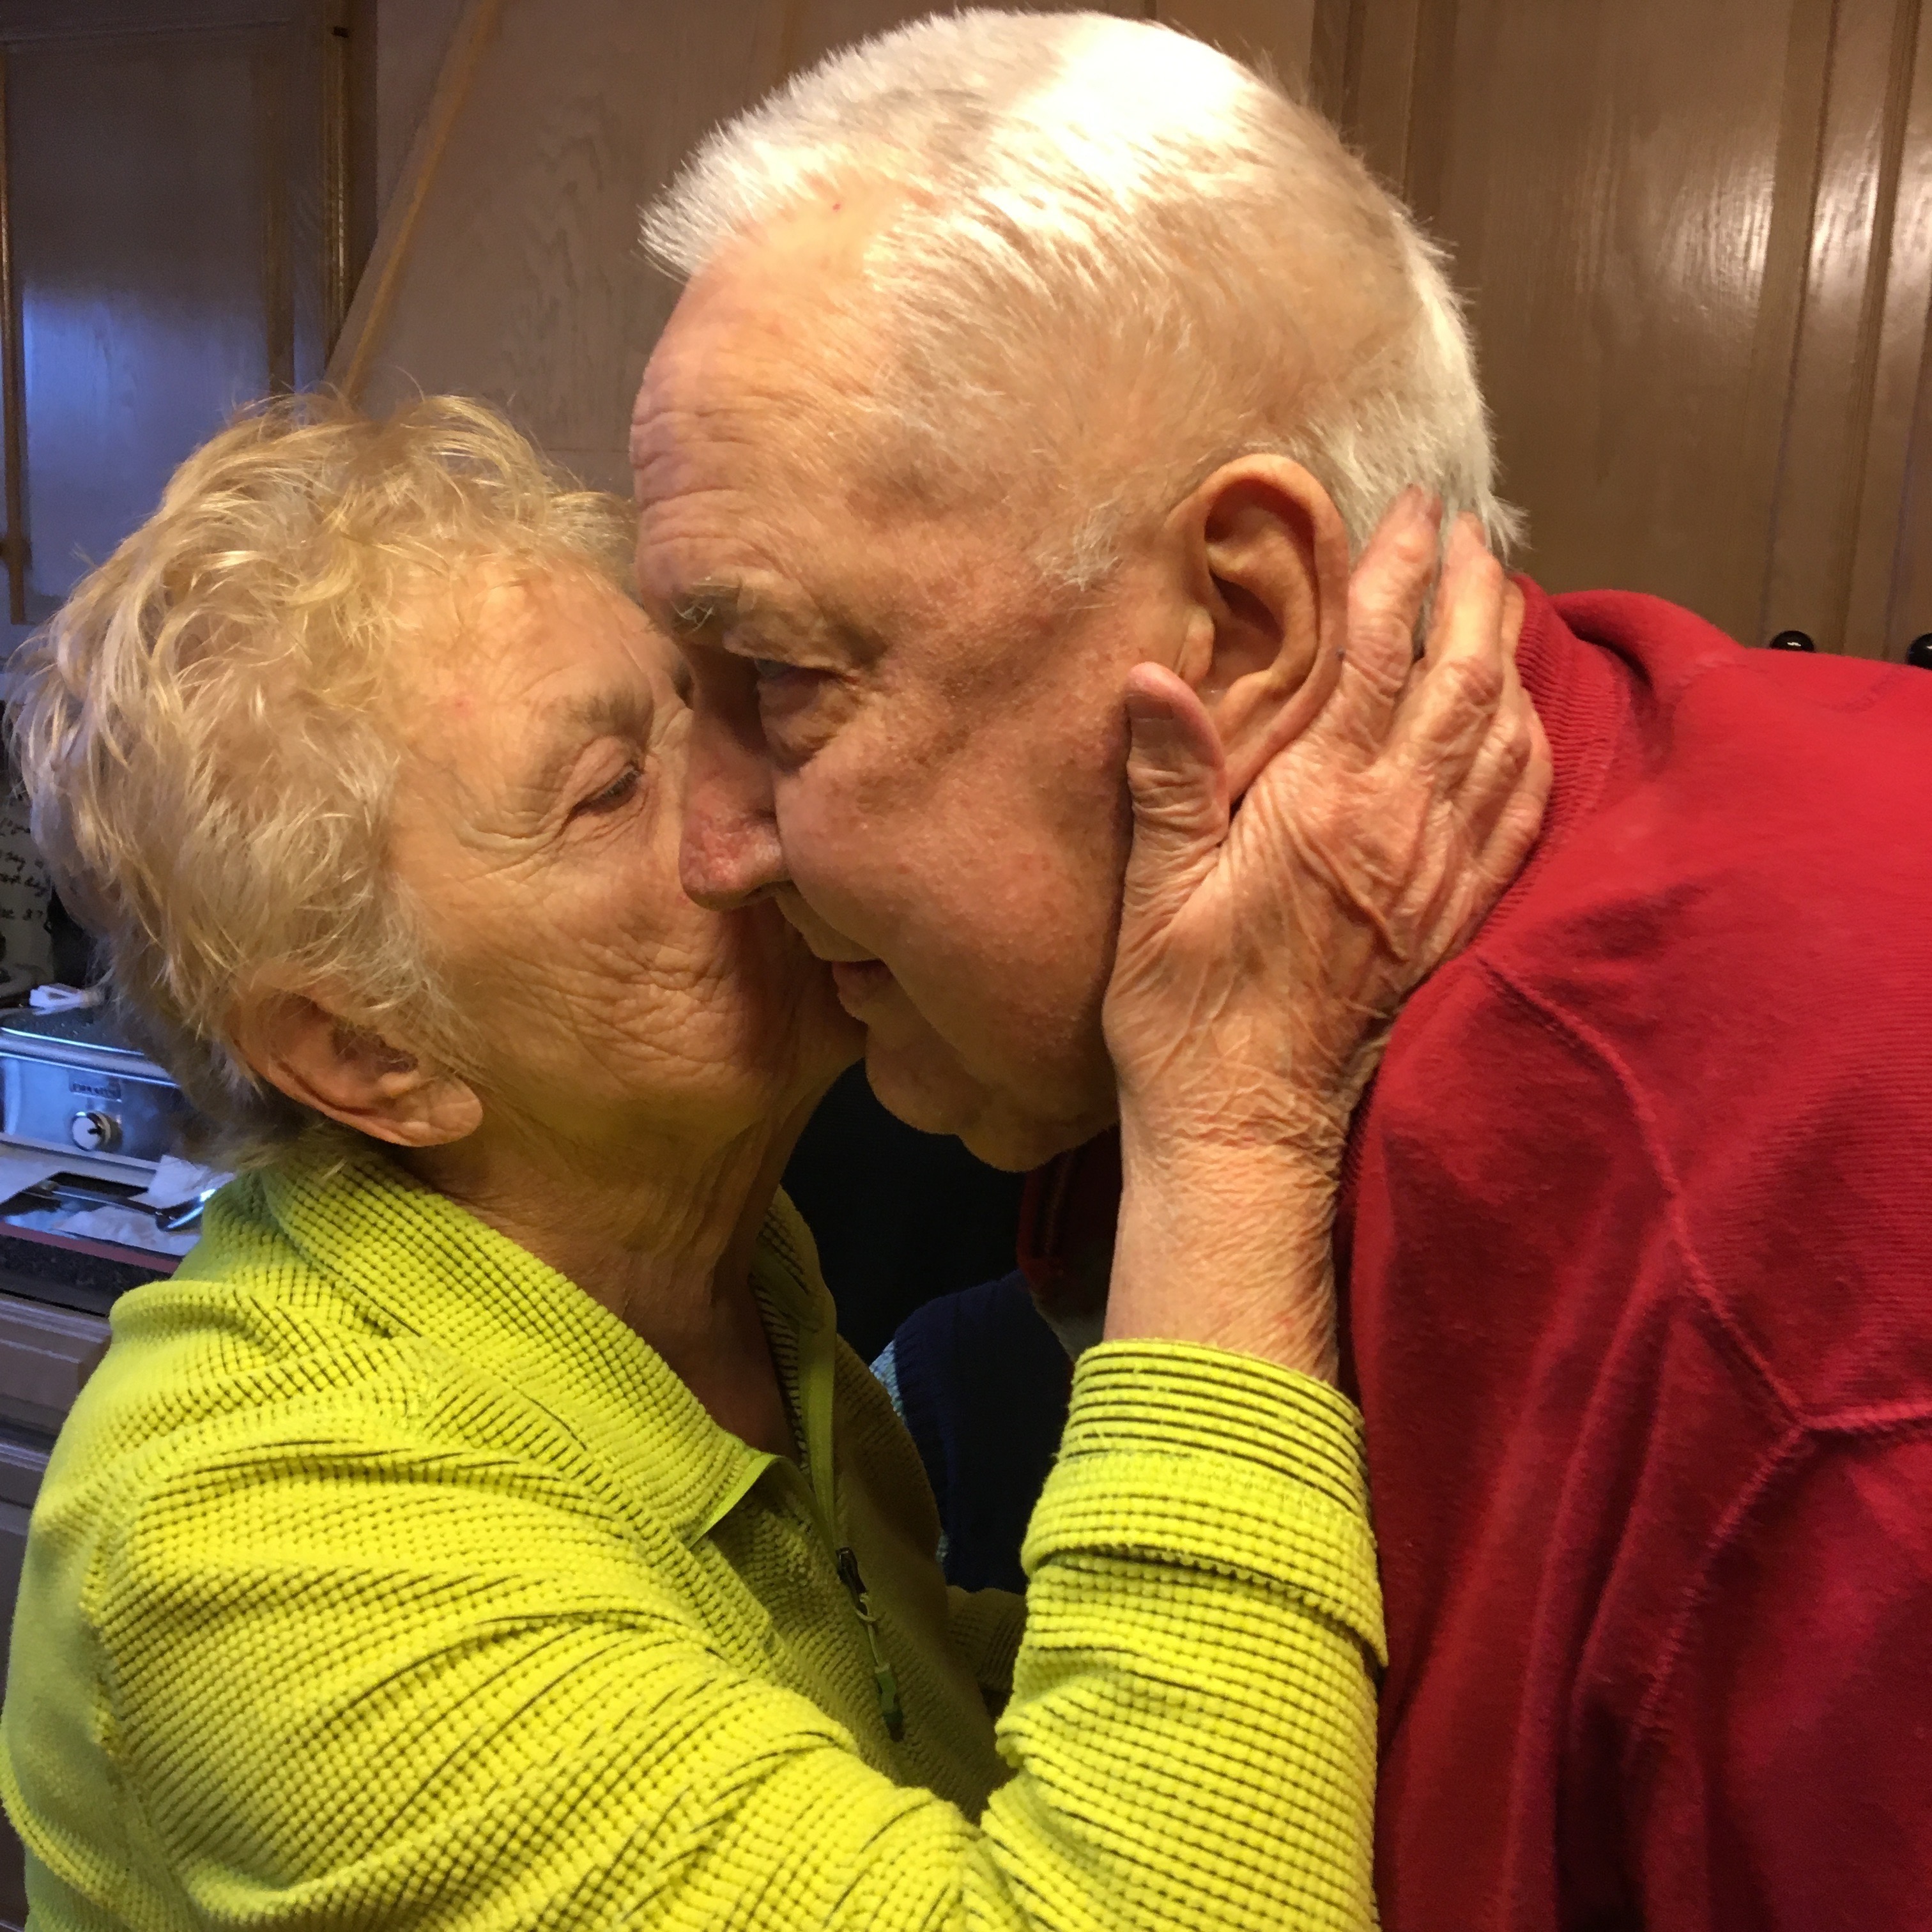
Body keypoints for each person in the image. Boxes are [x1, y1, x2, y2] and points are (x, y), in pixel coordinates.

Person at [639, 13, 1932, 1929]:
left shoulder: (1804, 1267)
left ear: (1243, 627)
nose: (711, 849)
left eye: (781, 682)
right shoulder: (1192, 997)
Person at [0, 394, 1544, 1930]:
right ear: (369, 1055)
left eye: (726, 698)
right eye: (612, 791)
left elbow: (890, 1717)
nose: (768, 805)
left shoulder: (703, 1280)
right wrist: (1236, 1114)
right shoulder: (268, 1538)